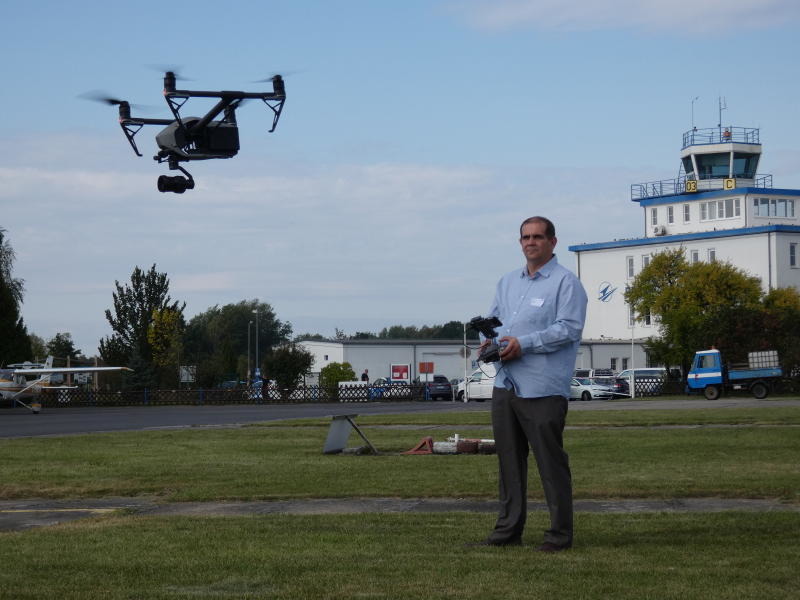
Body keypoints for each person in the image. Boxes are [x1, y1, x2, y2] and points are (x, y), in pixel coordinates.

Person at [469, 216, 587, 553]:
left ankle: (559, 535)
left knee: (550, 464)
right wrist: (488, 341)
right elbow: (492, 322)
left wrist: (524, 343)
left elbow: (568, 329)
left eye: (537, 236)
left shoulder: (566, 284)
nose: (530, 242)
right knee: (508, 463)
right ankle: (508, 531)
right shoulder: (507, 282)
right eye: (525, 237)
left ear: (553, 241)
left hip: (543, 388)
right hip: (506, 384)